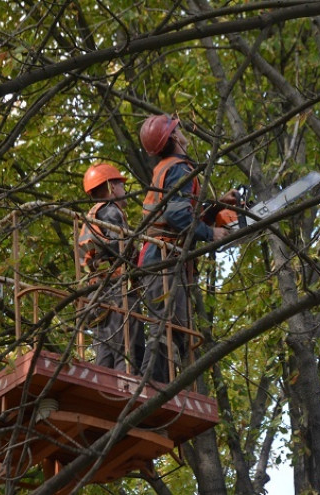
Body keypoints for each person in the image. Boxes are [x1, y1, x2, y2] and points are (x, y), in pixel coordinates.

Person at [137, 114, 236, 382]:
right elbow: (177, 217)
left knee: (174, 327)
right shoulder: (180, 168)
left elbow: (182, 214)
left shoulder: (169, 168)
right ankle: (151, 388)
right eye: (177, 129)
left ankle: (158, 385)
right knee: (169, 326)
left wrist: (215, 206)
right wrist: (210, 232)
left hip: (161, 256)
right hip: (164, 258)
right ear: (173, 138)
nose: (182, 131)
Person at [77, 162, 145, 373]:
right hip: (117, 288)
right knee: (129, 347)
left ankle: (103, 390)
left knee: (106, 349)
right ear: (111, 187)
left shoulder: (91, 216)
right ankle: (131, 389)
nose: (124, 191)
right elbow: (121, 247)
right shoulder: (109, 212)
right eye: (121, 186)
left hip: (98, 293)